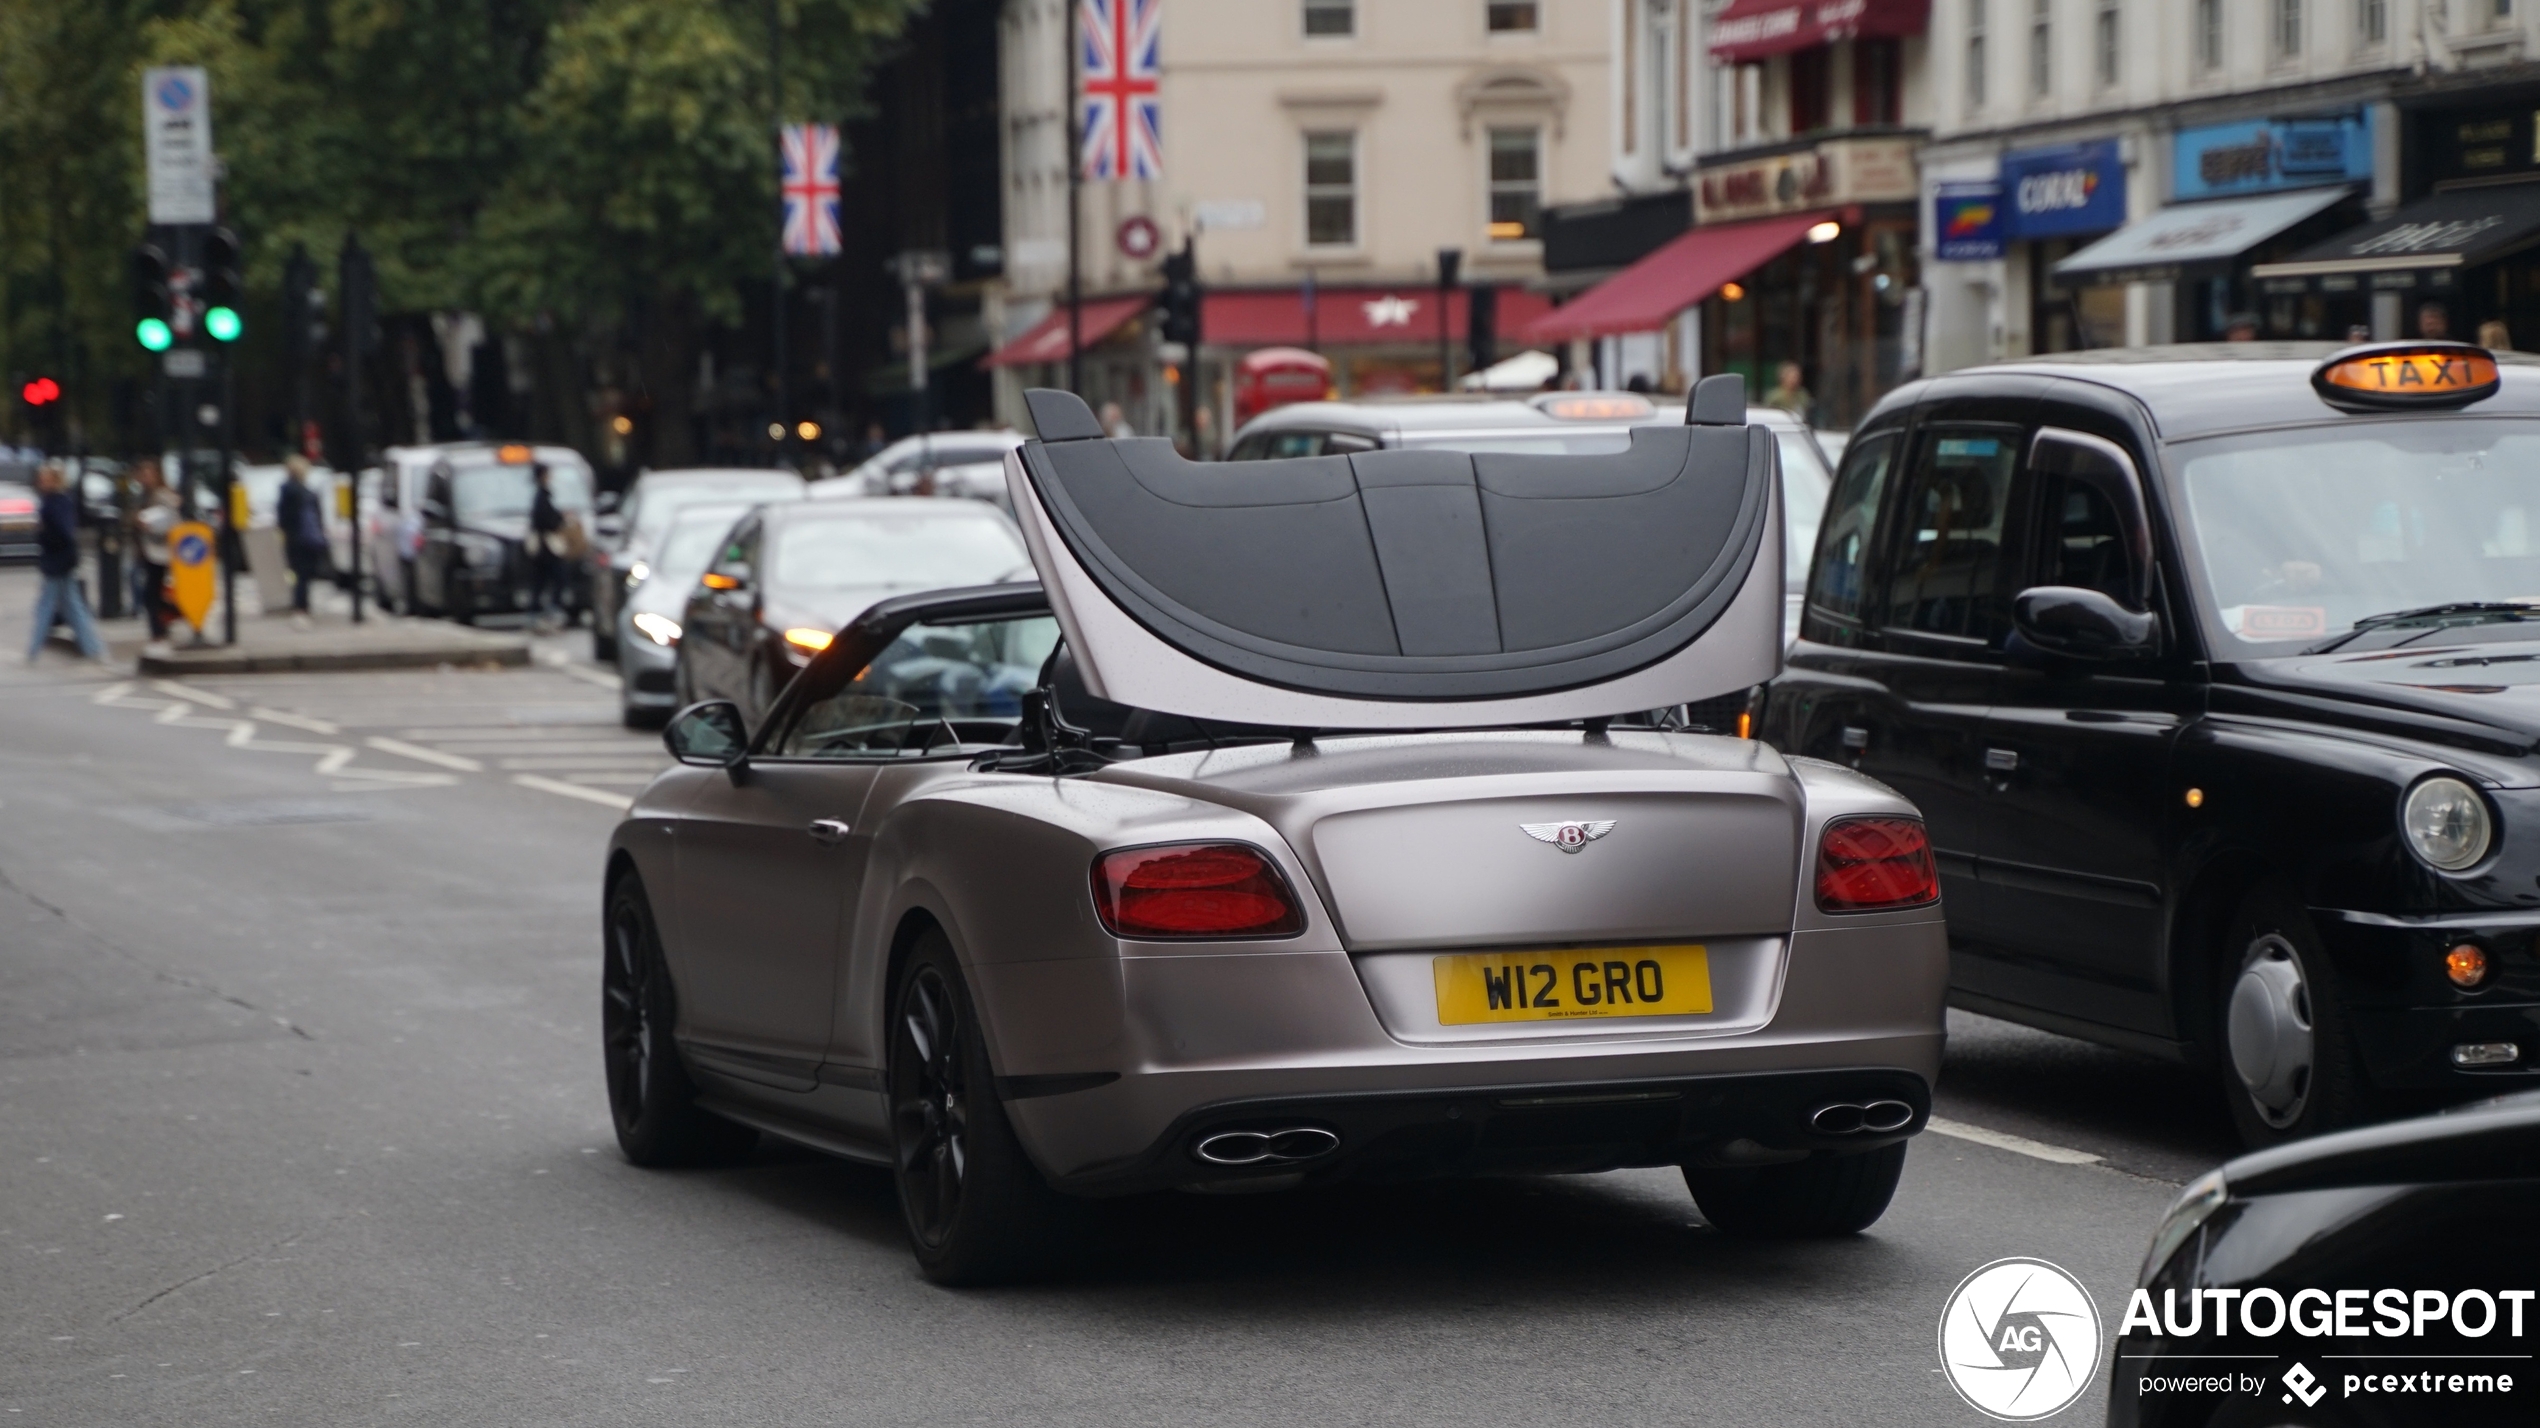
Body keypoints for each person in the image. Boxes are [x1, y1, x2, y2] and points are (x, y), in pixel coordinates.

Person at [27, 462, 106, 664]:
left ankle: (33, 651)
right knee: (73, 607)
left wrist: (43, 533)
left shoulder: (54, 503)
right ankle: (93, 648)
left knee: (47, 606)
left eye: (44, 479)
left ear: (54, 480)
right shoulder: (59, 501)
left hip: (57, 562)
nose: (40, 482)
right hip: (62, 561)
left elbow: (63, 533)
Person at [275, 456, 330, 628]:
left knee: (296, 573)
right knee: (305, 574)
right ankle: (302, 605)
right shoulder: (307, 493)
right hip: (308, 538)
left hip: (293, 538)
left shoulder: (285, 492)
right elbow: (318, 517)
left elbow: (282, 519)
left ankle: (299, 604)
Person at [128, 459, 179, 640]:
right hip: (145, 551)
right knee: (148, 590)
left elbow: (171, 521)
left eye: (149, 474)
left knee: (150, 592)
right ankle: (161, 625)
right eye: (143, 475)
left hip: (159, 551)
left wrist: (150, 525)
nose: (146, 478)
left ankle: (160, 628)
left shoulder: (162, 495)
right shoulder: (141, 496)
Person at [528, 463, 565, 629]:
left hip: (543, 546)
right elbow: (543, 519)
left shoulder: (541, 495)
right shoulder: (541, 496)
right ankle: (549, 608)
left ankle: (536, 609)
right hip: (546, 546)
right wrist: (558, 520)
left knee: (541, 579)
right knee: (557, 575)